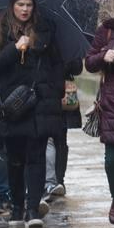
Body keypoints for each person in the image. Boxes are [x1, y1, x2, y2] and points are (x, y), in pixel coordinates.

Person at [0, 0, 64, 228]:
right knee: (15, 159)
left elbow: (57, 65)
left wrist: (53, 91)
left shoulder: (45, 30)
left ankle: (32, 208)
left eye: (29, 5)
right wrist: (13, 48)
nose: (25, 9)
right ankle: (17, 207)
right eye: (20, 5)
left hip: (39, 103)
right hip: (12, 105)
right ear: (12, 6)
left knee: (37, 156)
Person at [85, 0, 114, 224]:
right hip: (113, 103)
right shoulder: (106, 30)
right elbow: (89, 62)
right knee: (112, 160)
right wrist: (103, 55)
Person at [42, 58, 83, 206]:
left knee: (61, 141)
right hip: (46, 93)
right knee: (47, 140)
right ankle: (50, 181)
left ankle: (59, 180)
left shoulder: (66, 42)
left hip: (64, 97)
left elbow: (77, 67)